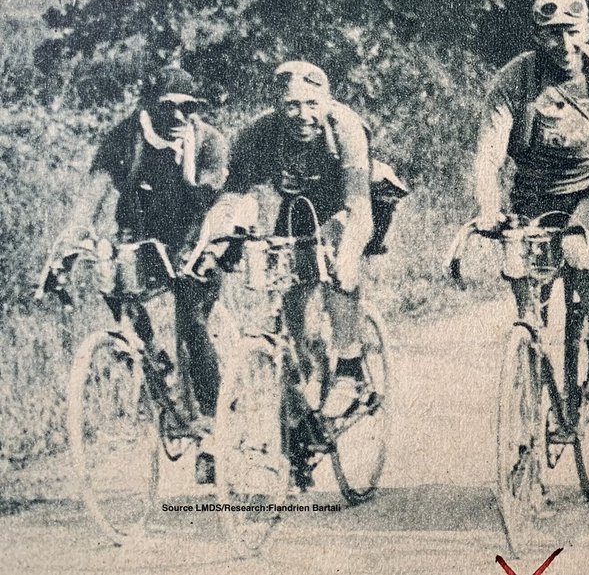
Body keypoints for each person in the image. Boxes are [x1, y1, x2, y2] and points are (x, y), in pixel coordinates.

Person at [48, 66, 228, 485]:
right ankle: (154, 360)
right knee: (111, 274)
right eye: (170, 107)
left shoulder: (209, 143)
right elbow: (89, 202)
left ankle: (211, 428)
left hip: (194, 240)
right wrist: (67, 252)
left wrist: (186, 171)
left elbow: (210, 204)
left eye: (189, 108)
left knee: (191, 321)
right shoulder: (125, 138)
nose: (180, 116)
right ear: (150, 106)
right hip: (142, 237)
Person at [473, 0, 589, 408]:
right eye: (552, 33)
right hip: (535, 191)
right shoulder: (515, 78)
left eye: (572, 32)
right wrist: (487, 207)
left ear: (587, 29)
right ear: (537, 35)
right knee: (517, 264)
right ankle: (530, 346)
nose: (564, 44)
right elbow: (489, 153)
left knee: (575, 244)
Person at [195, 62, 376, 424]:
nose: (303, 115)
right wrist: (210, 246)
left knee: (341, 250)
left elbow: (360, 209)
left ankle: (350, 366)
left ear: (326, 101)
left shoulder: (345, 128)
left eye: (312, 104)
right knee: (297, 325)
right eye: (292, 105)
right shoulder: (258, 133)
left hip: (343, 206)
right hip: (294, 211)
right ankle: (305, 403)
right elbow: (230, 199)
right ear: (277, 105)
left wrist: (349, 257)